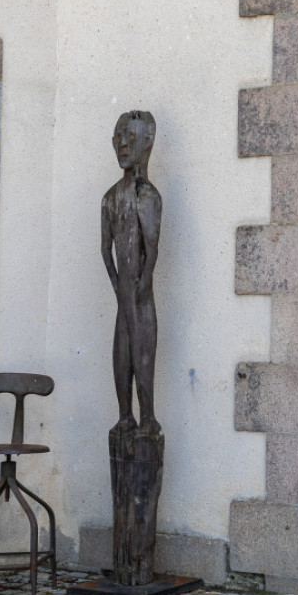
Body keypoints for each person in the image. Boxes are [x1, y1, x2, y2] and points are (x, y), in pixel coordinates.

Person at [101, 110, 162, 434]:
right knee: (121, 355)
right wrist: (116, 284)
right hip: (125, 291)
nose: (123, 145)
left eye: (131, 138)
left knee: (142, 353)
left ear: (148, 141)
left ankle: (147, 416)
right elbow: (104, 248)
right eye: (119, 138)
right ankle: (126, 416)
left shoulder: (147, 196)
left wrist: (142, 283)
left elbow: (151, 248)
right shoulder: (111, 198)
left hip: (138, 293)